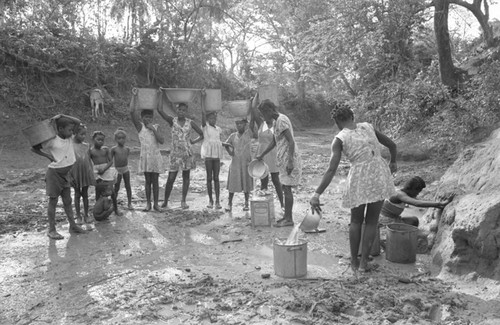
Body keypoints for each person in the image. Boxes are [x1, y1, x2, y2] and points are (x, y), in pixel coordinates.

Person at [309, 102, 397, 274]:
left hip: (359, 177)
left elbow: (331, 169)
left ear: (336, 122)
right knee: (372, 221)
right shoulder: (367, 126)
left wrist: (317, 193)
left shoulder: (340, 138)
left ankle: (354, 262)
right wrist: (393, 161)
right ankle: (364, 263)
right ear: (352, 117)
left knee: (356, 221)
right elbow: (392, 145)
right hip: (379, 174)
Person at [31, 114, 88, 240]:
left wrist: (61, 115)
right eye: (69, 129)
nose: (72, 132)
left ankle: (72, 225)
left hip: (65, 174)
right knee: (53, 201)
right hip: (54, 174)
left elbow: (78, 121)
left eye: (72, 130)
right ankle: (51, 230)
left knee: (68, 201)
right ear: (60, 129)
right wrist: (48, 156)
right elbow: (34, 148)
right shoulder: (52, 140)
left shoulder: (69, 138)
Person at [256, 99, 302, 227]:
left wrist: (290, 161)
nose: (264, 118)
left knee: (287, 189)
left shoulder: (281, 120)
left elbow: (291, 141)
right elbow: (274, 141)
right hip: (283, 159)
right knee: (285, 187)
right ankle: (286, 217)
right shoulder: (277, 121)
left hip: (288, 159)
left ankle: (289, 219)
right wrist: (262, 154)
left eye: (264, 114)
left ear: (269, 110)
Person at [157, 95, 203, 209]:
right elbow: (159, 110)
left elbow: (202, 134)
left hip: (187, 154)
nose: (181, 112)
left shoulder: (190, 122)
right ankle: (165, 201)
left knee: (186, 177)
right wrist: (160, 94)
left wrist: (192, 141)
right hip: (175, 154)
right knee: (171, 178)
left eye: (183, 110)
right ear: (176, 110)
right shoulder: (172, 121)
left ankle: (183, 201)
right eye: (179, 110)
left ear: (186, 111)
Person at [130, 89, 164, 212]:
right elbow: (131, 112)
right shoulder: (140, 127)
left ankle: (156, 204)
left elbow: (162, 141)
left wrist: (153, 130)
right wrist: (134, 96)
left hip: (155, 157)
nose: (148, 119)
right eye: (146, 117)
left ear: (152, 118)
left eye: (150, 117)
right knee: (147, 181)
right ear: (142, 118)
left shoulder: (156, 127)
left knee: (155, 181)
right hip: (145, 157)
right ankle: (148, 204)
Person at [249, 94, 284, 210]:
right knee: (263, 179)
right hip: (261, 153)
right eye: (262, 113)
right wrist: (256, 96)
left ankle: (282, 204)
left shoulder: (277, 123)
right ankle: (264, 206)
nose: (264, 115)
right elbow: (254, 110)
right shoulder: (261, 123)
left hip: (273, 153)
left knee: (276, 180)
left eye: (265, 112)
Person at [379, 176, 453, 227]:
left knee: (414, 220)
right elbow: (416, 203)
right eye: (417, 191)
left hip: (394, 218)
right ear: (412, 189)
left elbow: (420, 200)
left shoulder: (405, 194)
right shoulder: (400, 195)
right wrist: (440, 203)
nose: (418, 194)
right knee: (411, 223)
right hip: (385, 221)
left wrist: (436, 204)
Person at [200, 93, 224, 209]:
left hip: (216, 156)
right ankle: (210, 200)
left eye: (215, 118)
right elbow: (203, 113)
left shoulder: (219, 129)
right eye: (211, 118)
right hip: (208, 156)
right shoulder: (205, 127)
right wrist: (203, 98)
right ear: (207, 119)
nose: (213, 119)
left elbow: (219, 142)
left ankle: (218, 201)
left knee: (216, 178)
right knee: (209, 178)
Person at [90, 131, 122, 217]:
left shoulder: (105, 149)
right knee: (98, 192)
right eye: (98, 139)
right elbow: (88, 163)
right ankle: (99, 210)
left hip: (106, 171)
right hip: (97, 173)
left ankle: (116, 209)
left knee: (111, 192)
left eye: (102, 140)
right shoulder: (91, 151)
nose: (100, 141)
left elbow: (111, 161)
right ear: (93, 139)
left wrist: (104, 169)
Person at [225, 118, 253, 212]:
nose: (239, 125)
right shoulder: (233, 136)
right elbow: (225, 143)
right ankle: (229, 203)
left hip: (246, 163)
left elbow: (252, 123)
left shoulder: (248, 134)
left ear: (245, 124)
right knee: (233, 183)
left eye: (241, 124)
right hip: (235, 163)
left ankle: (246, 203)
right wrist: (230, 152)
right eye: (237, 124)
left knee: (246, 183)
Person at [70, 123, 96, 224]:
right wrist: (69, 175)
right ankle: (78, 215)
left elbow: (89, 161)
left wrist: (92, 174)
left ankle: (86, 214)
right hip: (75, 173)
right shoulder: (70, 146)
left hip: (85, 173)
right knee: (77, 194)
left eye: (85, 134)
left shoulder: (86, 146)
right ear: (75, 133)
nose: (83, 136)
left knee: (85, 194)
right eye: (81, 134)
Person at [111, 127, 133, 210]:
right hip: (117, 170)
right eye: (119, 138)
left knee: (128, 186)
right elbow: (110, 160)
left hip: (125, 169)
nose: (121, 140)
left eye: (123, 138)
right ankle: (114, 204)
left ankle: (129, 203)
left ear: (125, 139)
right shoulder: (114, 149)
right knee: (116, 187)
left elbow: (126, 157)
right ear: (116, 139)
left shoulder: (127, 149)